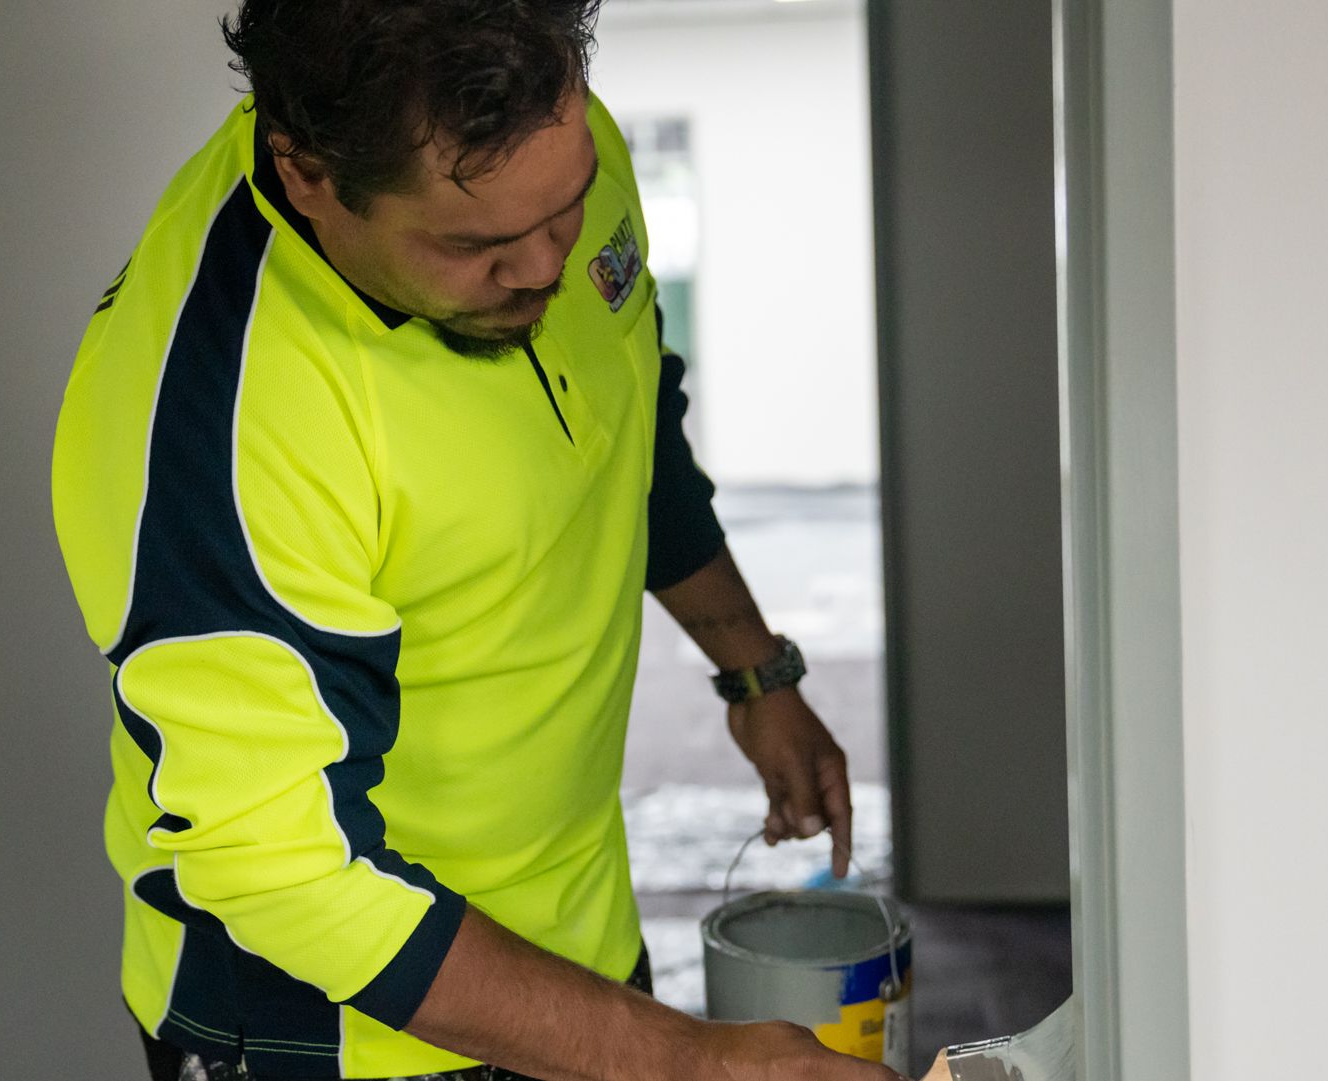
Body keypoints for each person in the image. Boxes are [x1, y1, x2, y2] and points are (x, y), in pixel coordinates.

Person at [50, 3, 894, 1080]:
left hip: (574, 960)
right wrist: (693, 1061)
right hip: (339, 1039)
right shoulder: (228, 421)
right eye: (477, 246)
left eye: (570, 206)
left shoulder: (546, 166)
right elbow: (281, 868)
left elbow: (624, 414)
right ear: (306, 172)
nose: (548, 264)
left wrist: (754, 667)